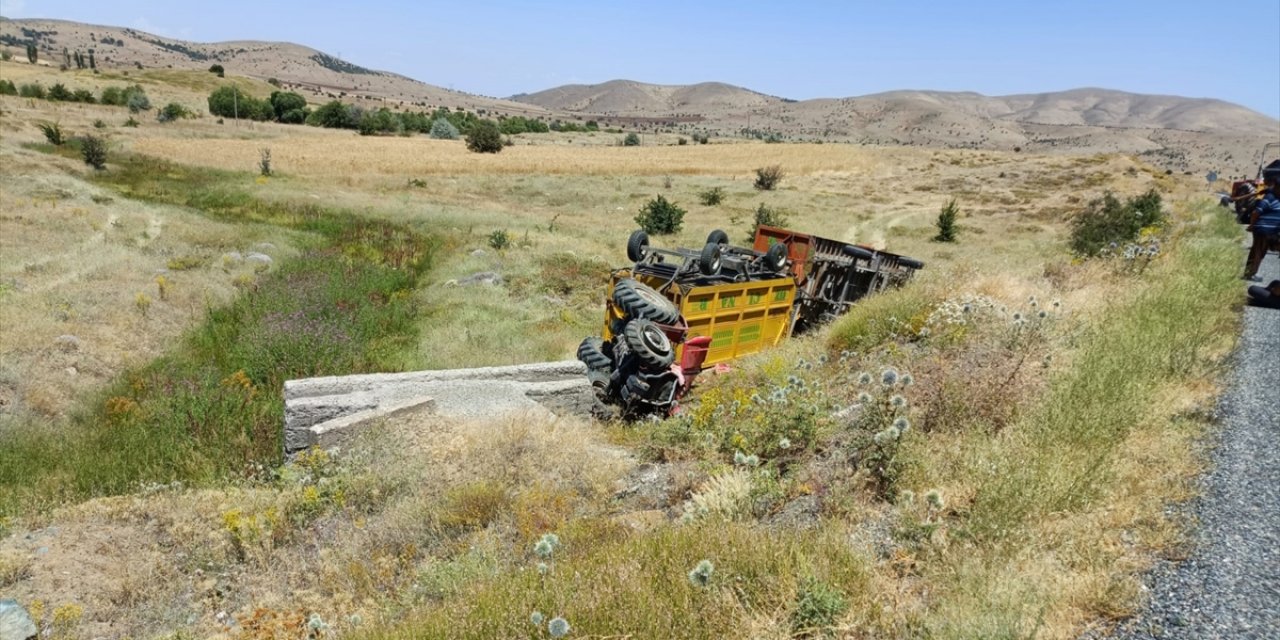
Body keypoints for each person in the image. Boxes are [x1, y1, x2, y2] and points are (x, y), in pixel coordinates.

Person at [1243, 160, 1280, 281]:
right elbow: (1256, 212)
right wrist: (1252, 225)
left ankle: (1250, 273)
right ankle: (1250, 274)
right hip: (1263, 229)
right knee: (1258, 252)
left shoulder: (1276, 198)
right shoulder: (1270, 197)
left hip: (1269, 230)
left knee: (1259, 251)